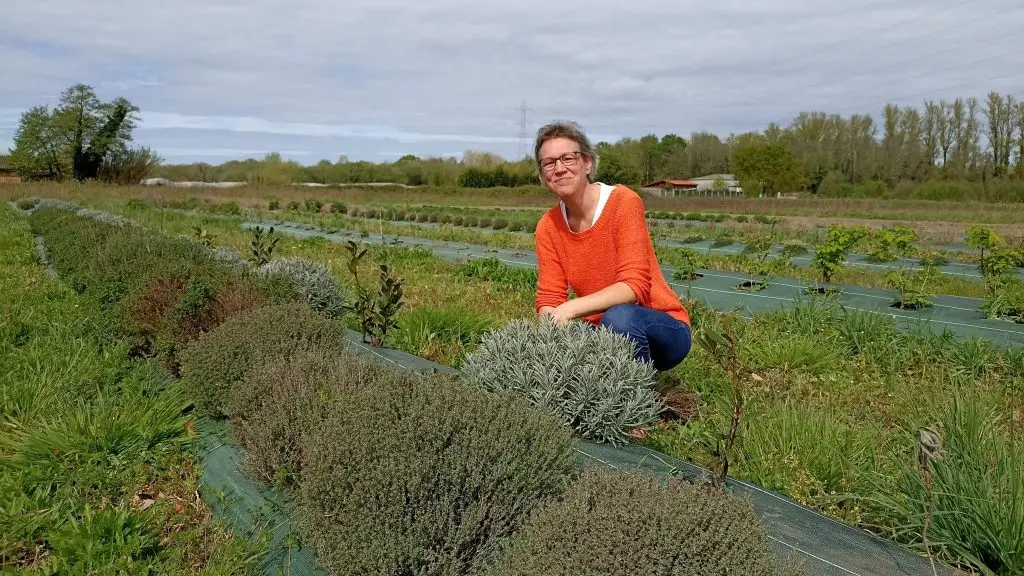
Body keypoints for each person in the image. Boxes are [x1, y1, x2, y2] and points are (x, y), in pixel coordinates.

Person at [533, 120, 692, 372]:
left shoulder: (622, 202)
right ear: (543, 175)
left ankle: (636, 398)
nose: (559, 168)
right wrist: (548, 340)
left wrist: (571, 308)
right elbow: (550, 298)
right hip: (602, 330)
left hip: (661, 328)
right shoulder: (548, 226)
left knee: (620, 317)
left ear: (588, 163)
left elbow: (634, 286)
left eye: (568, 158)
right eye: (549, 163)